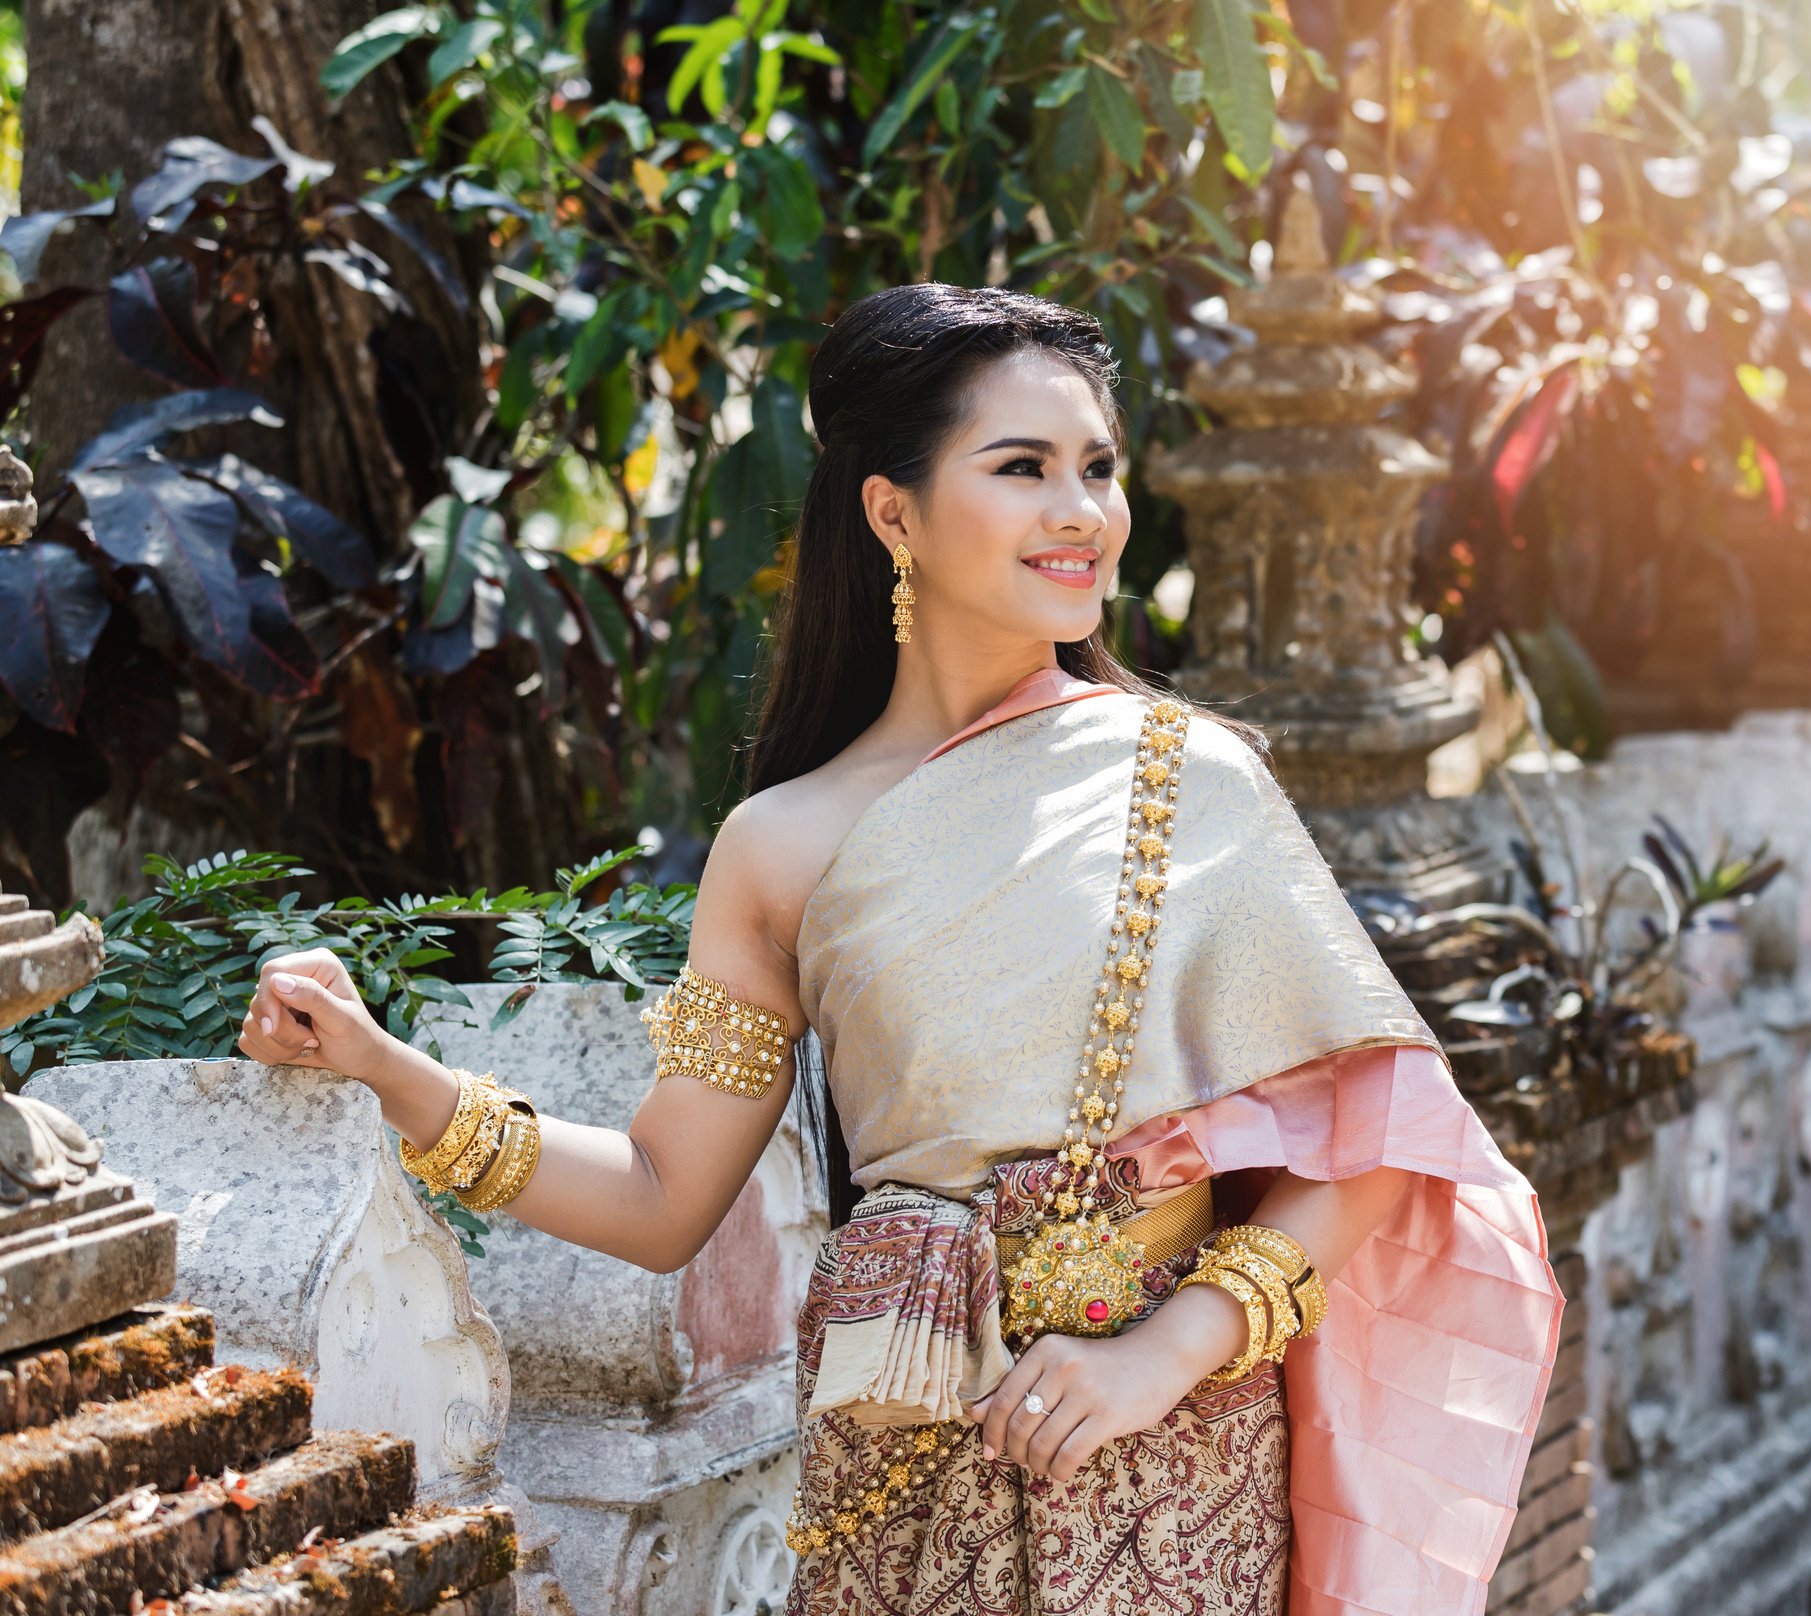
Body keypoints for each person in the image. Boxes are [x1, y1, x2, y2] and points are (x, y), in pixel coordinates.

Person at [236, 282, 1561, 1616]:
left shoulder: (1191, 775)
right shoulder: (780, 846)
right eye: (1024, 467)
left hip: (1173, 1472)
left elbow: (1385, 1136)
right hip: (901, 1476)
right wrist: (392, 1071)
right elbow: (659, 1193)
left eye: (1098, 467)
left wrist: (1165, 1353)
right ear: (893, 512)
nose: (1083, 511)